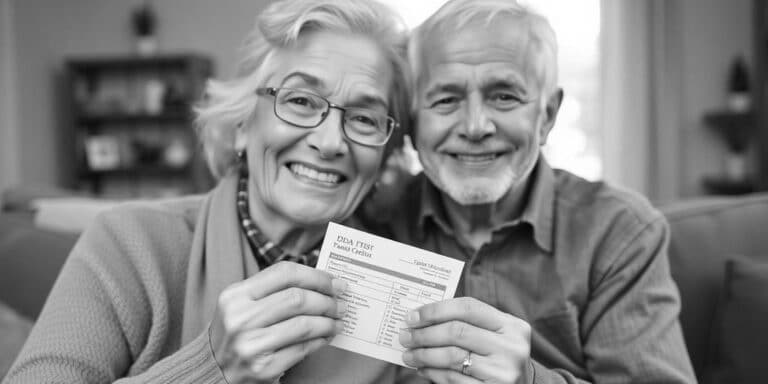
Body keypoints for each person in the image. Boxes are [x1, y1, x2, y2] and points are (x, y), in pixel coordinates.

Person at [3, 1, 422, 383]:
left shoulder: (402, 293)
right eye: (301, 101)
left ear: (384, 157)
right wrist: (212, 367)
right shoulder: (130, 242)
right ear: (242, 124)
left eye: (365, 119)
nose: (331, 143)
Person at [370, 0, 698, 383]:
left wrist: (530, 380)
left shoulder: (619, 231)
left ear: (547, 116)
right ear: (411, 121)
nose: (475, 126)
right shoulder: (374, 221)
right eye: (445, 100)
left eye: (504, 96)